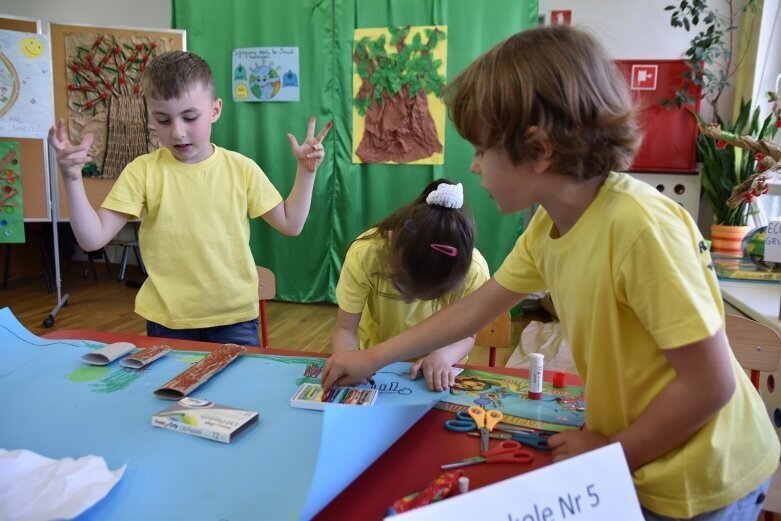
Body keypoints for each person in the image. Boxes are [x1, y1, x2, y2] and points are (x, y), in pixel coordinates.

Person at [322, 26, 779, 520]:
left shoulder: (640, 228)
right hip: (639, 453)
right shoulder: (549, 224)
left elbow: (710, 386)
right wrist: (372, 358)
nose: (473, 168)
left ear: (539, 150)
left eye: (480, 150)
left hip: (702, 475)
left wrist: (611, 456)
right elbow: (475, 310)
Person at [49, 50, 332, 347]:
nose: (178, 132)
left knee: (233, 394)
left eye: (189, 117)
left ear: (215, 110)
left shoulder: (241, 168)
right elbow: (91, 239)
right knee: (174, 394)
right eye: (163, 119)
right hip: (169, 321)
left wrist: (306, 171)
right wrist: (72, 178)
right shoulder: (143, 171)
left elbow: (291, 223)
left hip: (234, 318)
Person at [332, 179, 490, 391]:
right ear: (392, 239)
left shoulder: (474, 271)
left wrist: (444, 355)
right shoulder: (366, 254)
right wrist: (349, 361)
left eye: (428, 295)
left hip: (436, 371)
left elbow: (468, 334)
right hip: (376, 364)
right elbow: (344, 328)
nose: (408, 300)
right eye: (398, 284)